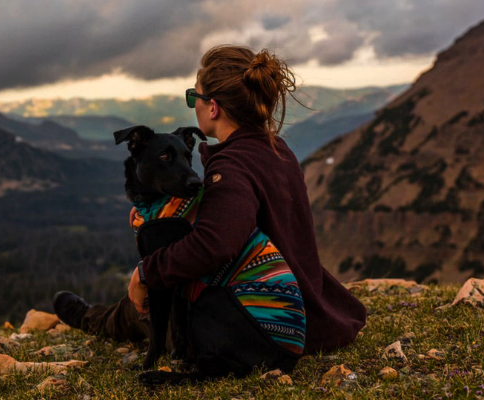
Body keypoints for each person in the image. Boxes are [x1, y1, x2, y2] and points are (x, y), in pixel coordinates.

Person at [53, 44, 366, 376]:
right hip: (304, 301)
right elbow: (241, 220)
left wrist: (146, 272)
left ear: (212, 107)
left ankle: (91, 319)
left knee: (144, 306)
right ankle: (99, 315)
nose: (194, 106)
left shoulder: (231, 165)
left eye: (194, 97)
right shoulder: (276, 149)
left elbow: (215, 244)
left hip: (257, 318)